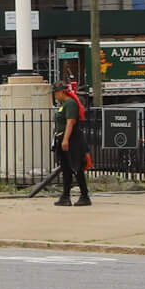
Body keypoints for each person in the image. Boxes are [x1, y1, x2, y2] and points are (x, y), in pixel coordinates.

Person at [53, 79, 92, 207]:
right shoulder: (63, 104)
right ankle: (65, 196)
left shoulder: (70, 103)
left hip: (72, 140)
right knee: (66, 169)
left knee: (76, 167)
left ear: (60, 92)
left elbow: (71, 122)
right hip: (63, 139)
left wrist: (65, 139)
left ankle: (84, 195)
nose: (54, 95)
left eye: (55, 93)